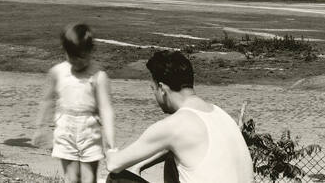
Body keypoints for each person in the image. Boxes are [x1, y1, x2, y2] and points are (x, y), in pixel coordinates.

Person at [106, 50, 253, 183]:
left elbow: (114, 164)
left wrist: (110, 149)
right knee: (172, 156)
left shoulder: (175, 125)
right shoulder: (219, 113)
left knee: (116, 179)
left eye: (153, 89)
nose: (154, 95)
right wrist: (140, 165)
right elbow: (177, 145)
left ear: (162, 89)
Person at [33, 23, 116, 183]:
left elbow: (106, 109)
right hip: (65, 129)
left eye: (82, 57)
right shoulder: (58, 72)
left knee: (89, 178)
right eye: (72, 57)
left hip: (90, 130)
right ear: (65, 52)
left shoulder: (99, 76)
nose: (77, 62)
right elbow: (47, 100)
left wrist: (111, 143)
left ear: (91, 51)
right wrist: (39, 127)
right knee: (72, 178)